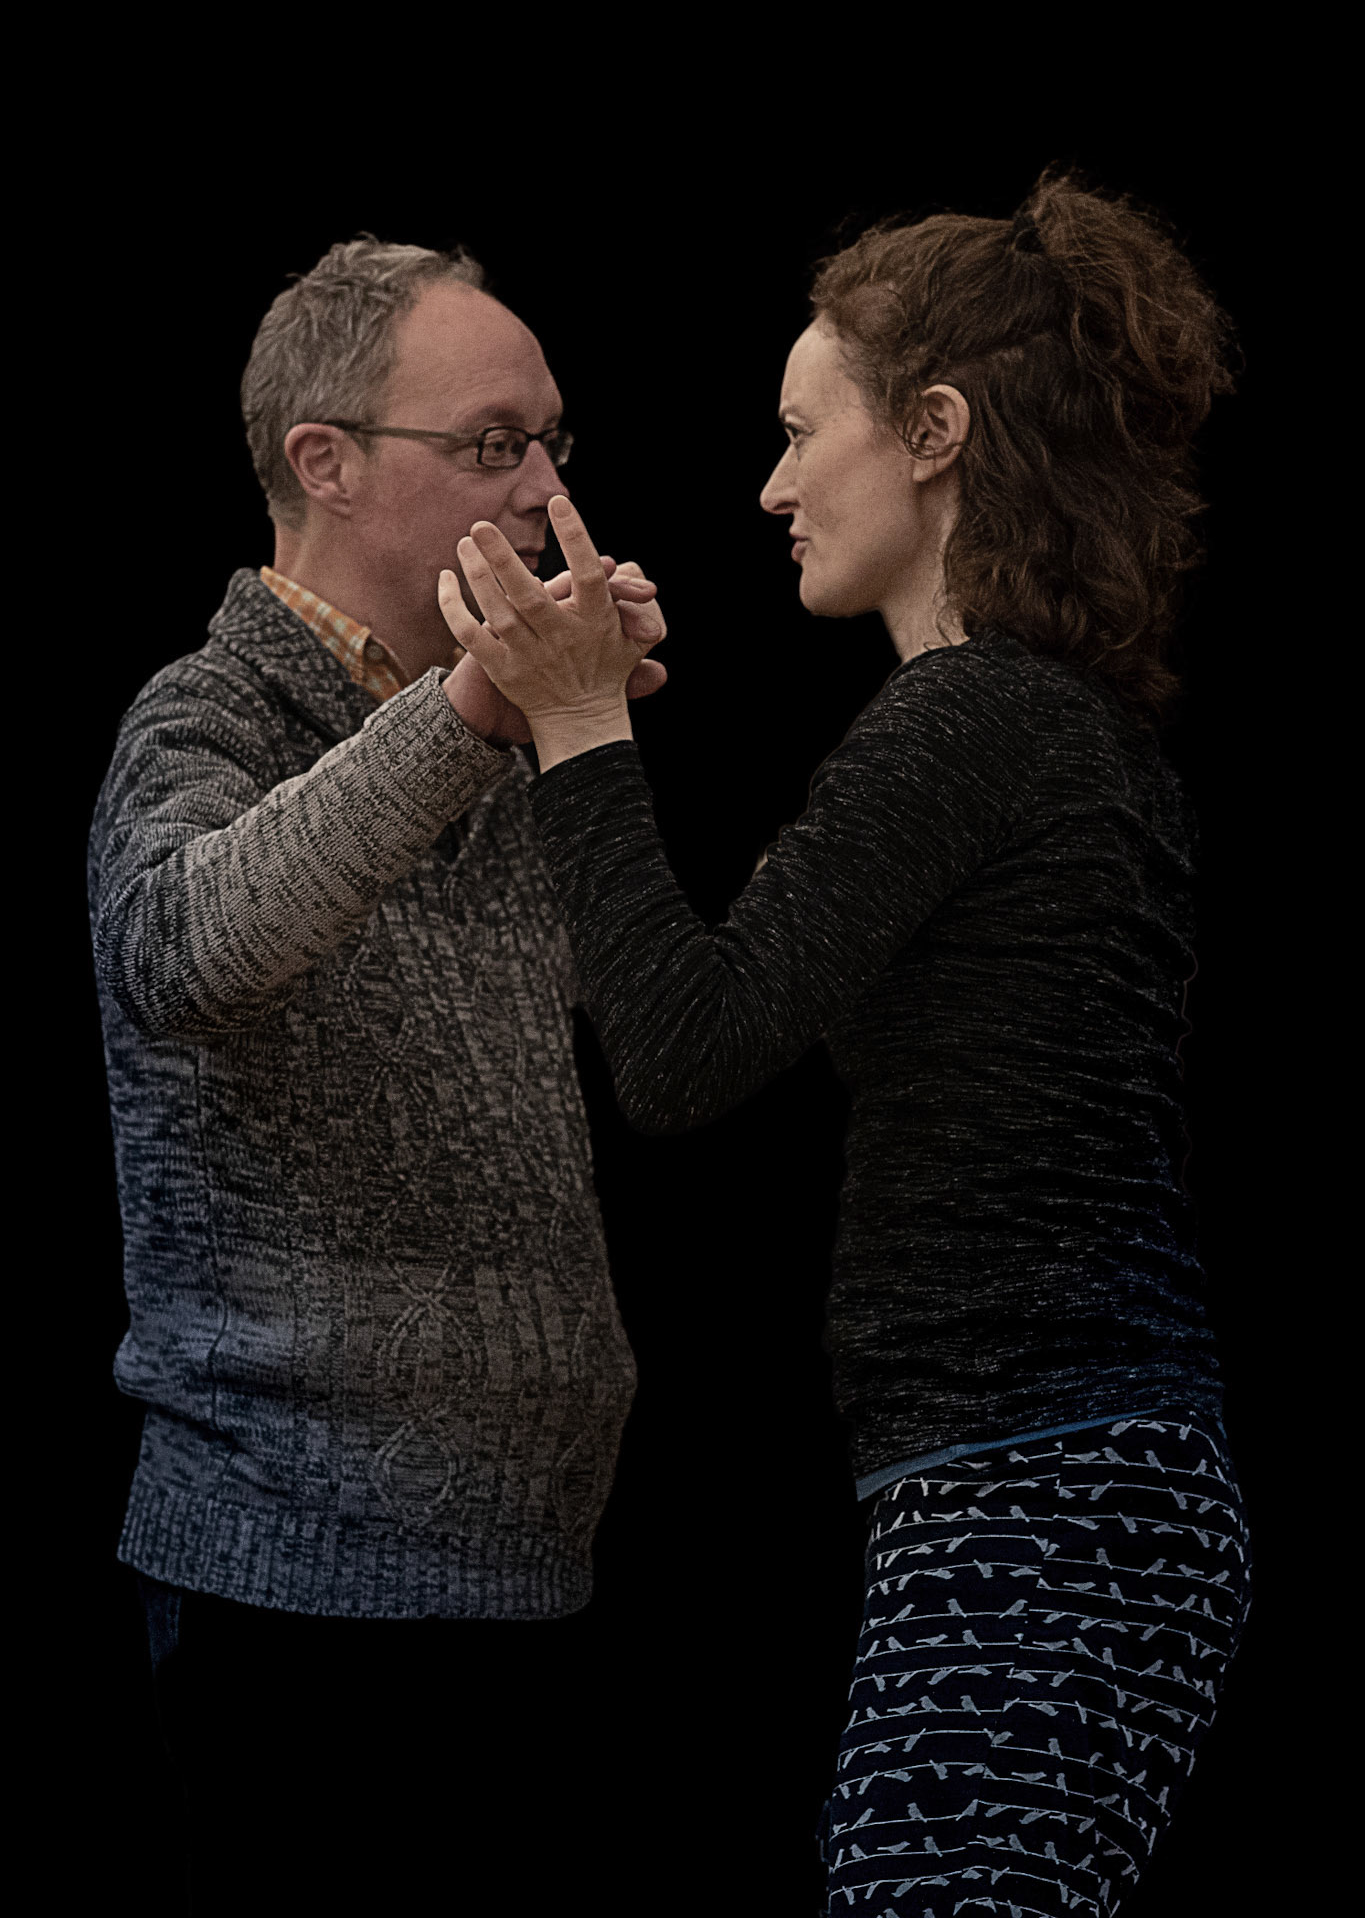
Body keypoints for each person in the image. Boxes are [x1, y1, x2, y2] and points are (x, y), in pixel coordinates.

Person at [434, 167, 1253, 1916]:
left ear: (935, 433)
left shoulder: (972, 724)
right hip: (1056, 1487)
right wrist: (557, 734)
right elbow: (682, 990)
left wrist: (578, 723)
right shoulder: (1034, 727)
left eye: (803, 433)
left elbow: (680, 1052)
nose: (771, 486)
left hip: (1043, 1493)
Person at [86, 237, 668, 1913]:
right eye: (493, 445)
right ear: (324, 462)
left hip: (531, 1569)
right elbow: (181, 950)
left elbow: (665, 1053)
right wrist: (478, 709)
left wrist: (580, 740)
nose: (548, 493)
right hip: (297, 1592)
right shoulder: (203, 713)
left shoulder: (490, 739)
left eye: (551, 442)